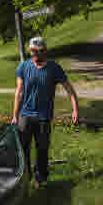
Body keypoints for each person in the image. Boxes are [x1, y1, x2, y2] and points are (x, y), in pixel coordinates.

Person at [11, 36, 79, 189]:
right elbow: (19, 93)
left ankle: (40, 179)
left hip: (43, 117)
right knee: (23, 148)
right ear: (30, 51)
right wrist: (15, 116)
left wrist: (75, 108)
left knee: (42, 149)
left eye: (39, 51)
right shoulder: (23, 67)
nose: (35, 54)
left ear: (45, 51)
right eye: (33, 51)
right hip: (25, 115)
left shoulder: (54, 68)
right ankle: (25, 177)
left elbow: (69, 89)